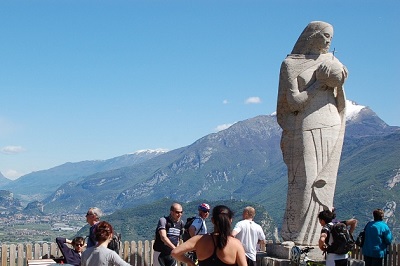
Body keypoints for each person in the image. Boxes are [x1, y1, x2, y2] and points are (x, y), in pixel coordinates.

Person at [277, 21, 348, 245]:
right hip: (306, 124)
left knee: (325, 180)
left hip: (331, 122)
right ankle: (296, 233)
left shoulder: (331, 61)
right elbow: (294, 102)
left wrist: (340, 78)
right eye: (325, 36)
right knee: (305, 179)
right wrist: (319, 83)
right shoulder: (291, 64)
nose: (328, 42)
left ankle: (318, 237)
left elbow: (339, 94)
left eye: (331, 38)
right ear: (312, 36)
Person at [171, 205, 247, 266]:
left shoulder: (199, 240)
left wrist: (190, 262)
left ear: (212, 220)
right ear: (230, 221)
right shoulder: (236, 244)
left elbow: (175, 252)